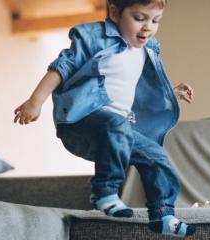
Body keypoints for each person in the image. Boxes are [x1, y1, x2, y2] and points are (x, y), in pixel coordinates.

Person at [13, 0, 196, 237]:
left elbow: (132, 87)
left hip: (116, 132)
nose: (147, 28)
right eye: (139, 18)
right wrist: (35, 101)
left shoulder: (148, 48)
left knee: (156, 156)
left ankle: (162, 215)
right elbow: (62, 67)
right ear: (115, 12)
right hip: (80, 123)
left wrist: (171, 93)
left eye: (155, 20)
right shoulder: (93, 36)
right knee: (117, 123)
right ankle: (105, 193)